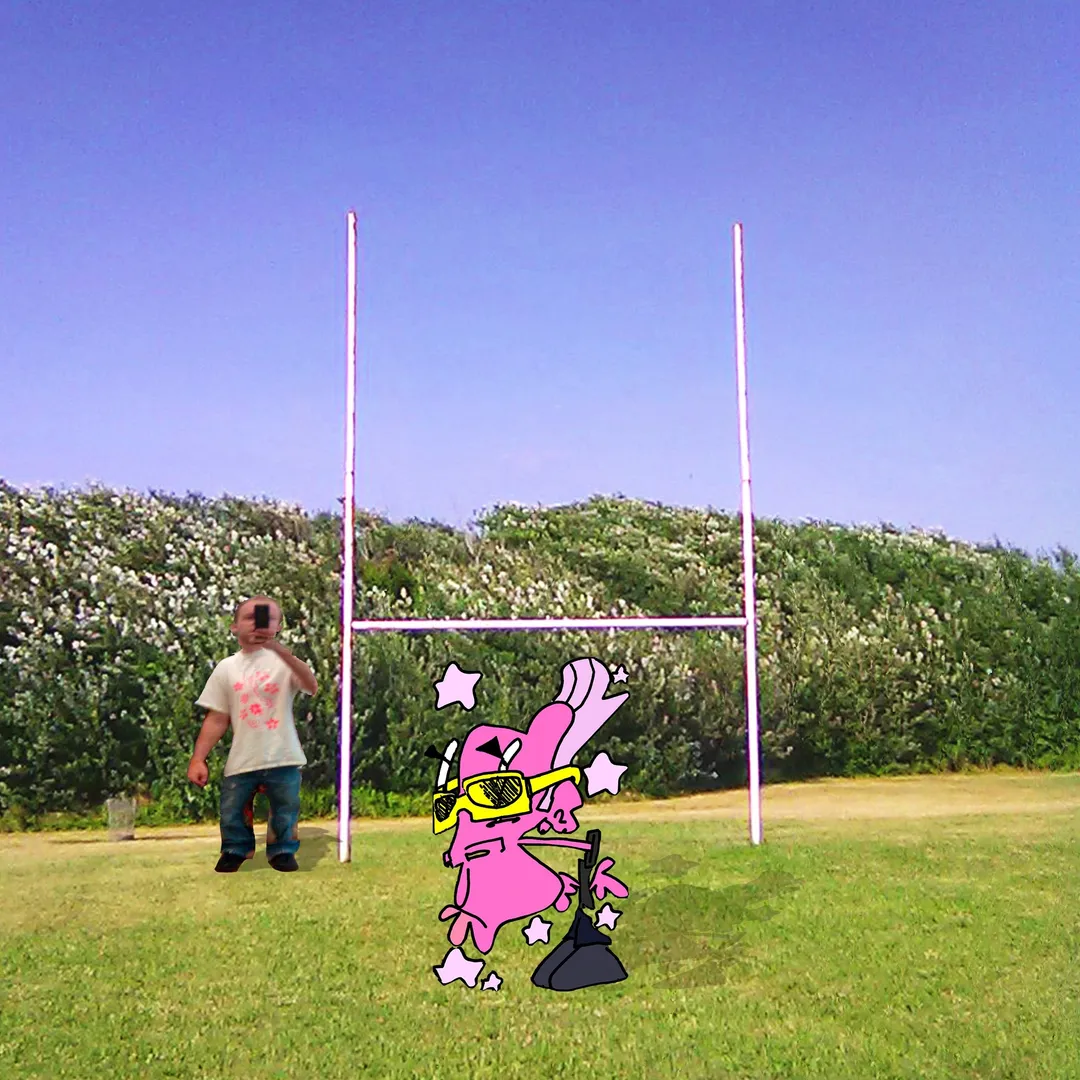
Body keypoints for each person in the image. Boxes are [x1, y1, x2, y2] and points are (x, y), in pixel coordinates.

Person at [187, 595, 318, 873]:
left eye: (266, 619)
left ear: (278, 626)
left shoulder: (285, 664)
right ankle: (235, 849)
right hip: (243, 756)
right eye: (250, 618)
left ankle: (282, 851)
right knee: (233, 808)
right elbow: (217, 717)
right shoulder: (226, 668)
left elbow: (311, 685)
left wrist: (281, 651)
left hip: (283, 754)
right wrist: (199, 758)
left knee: (285, 806)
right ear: (234, 627)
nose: (257, 625)